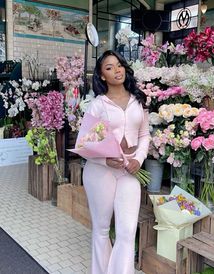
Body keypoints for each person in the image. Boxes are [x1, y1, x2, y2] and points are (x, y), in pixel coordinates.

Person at [82, 50, 150, 274]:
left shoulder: (137, 100)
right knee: (102, 229)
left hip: (130, 171)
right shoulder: (98, 105)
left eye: (119, 64)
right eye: (109, 67)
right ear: (102, 76)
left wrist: (139, 159)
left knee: (127, 231)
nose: (116, 70)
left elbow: (144, 135)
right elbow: (85, 144)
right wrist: (104, 160)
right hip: (99, 172)